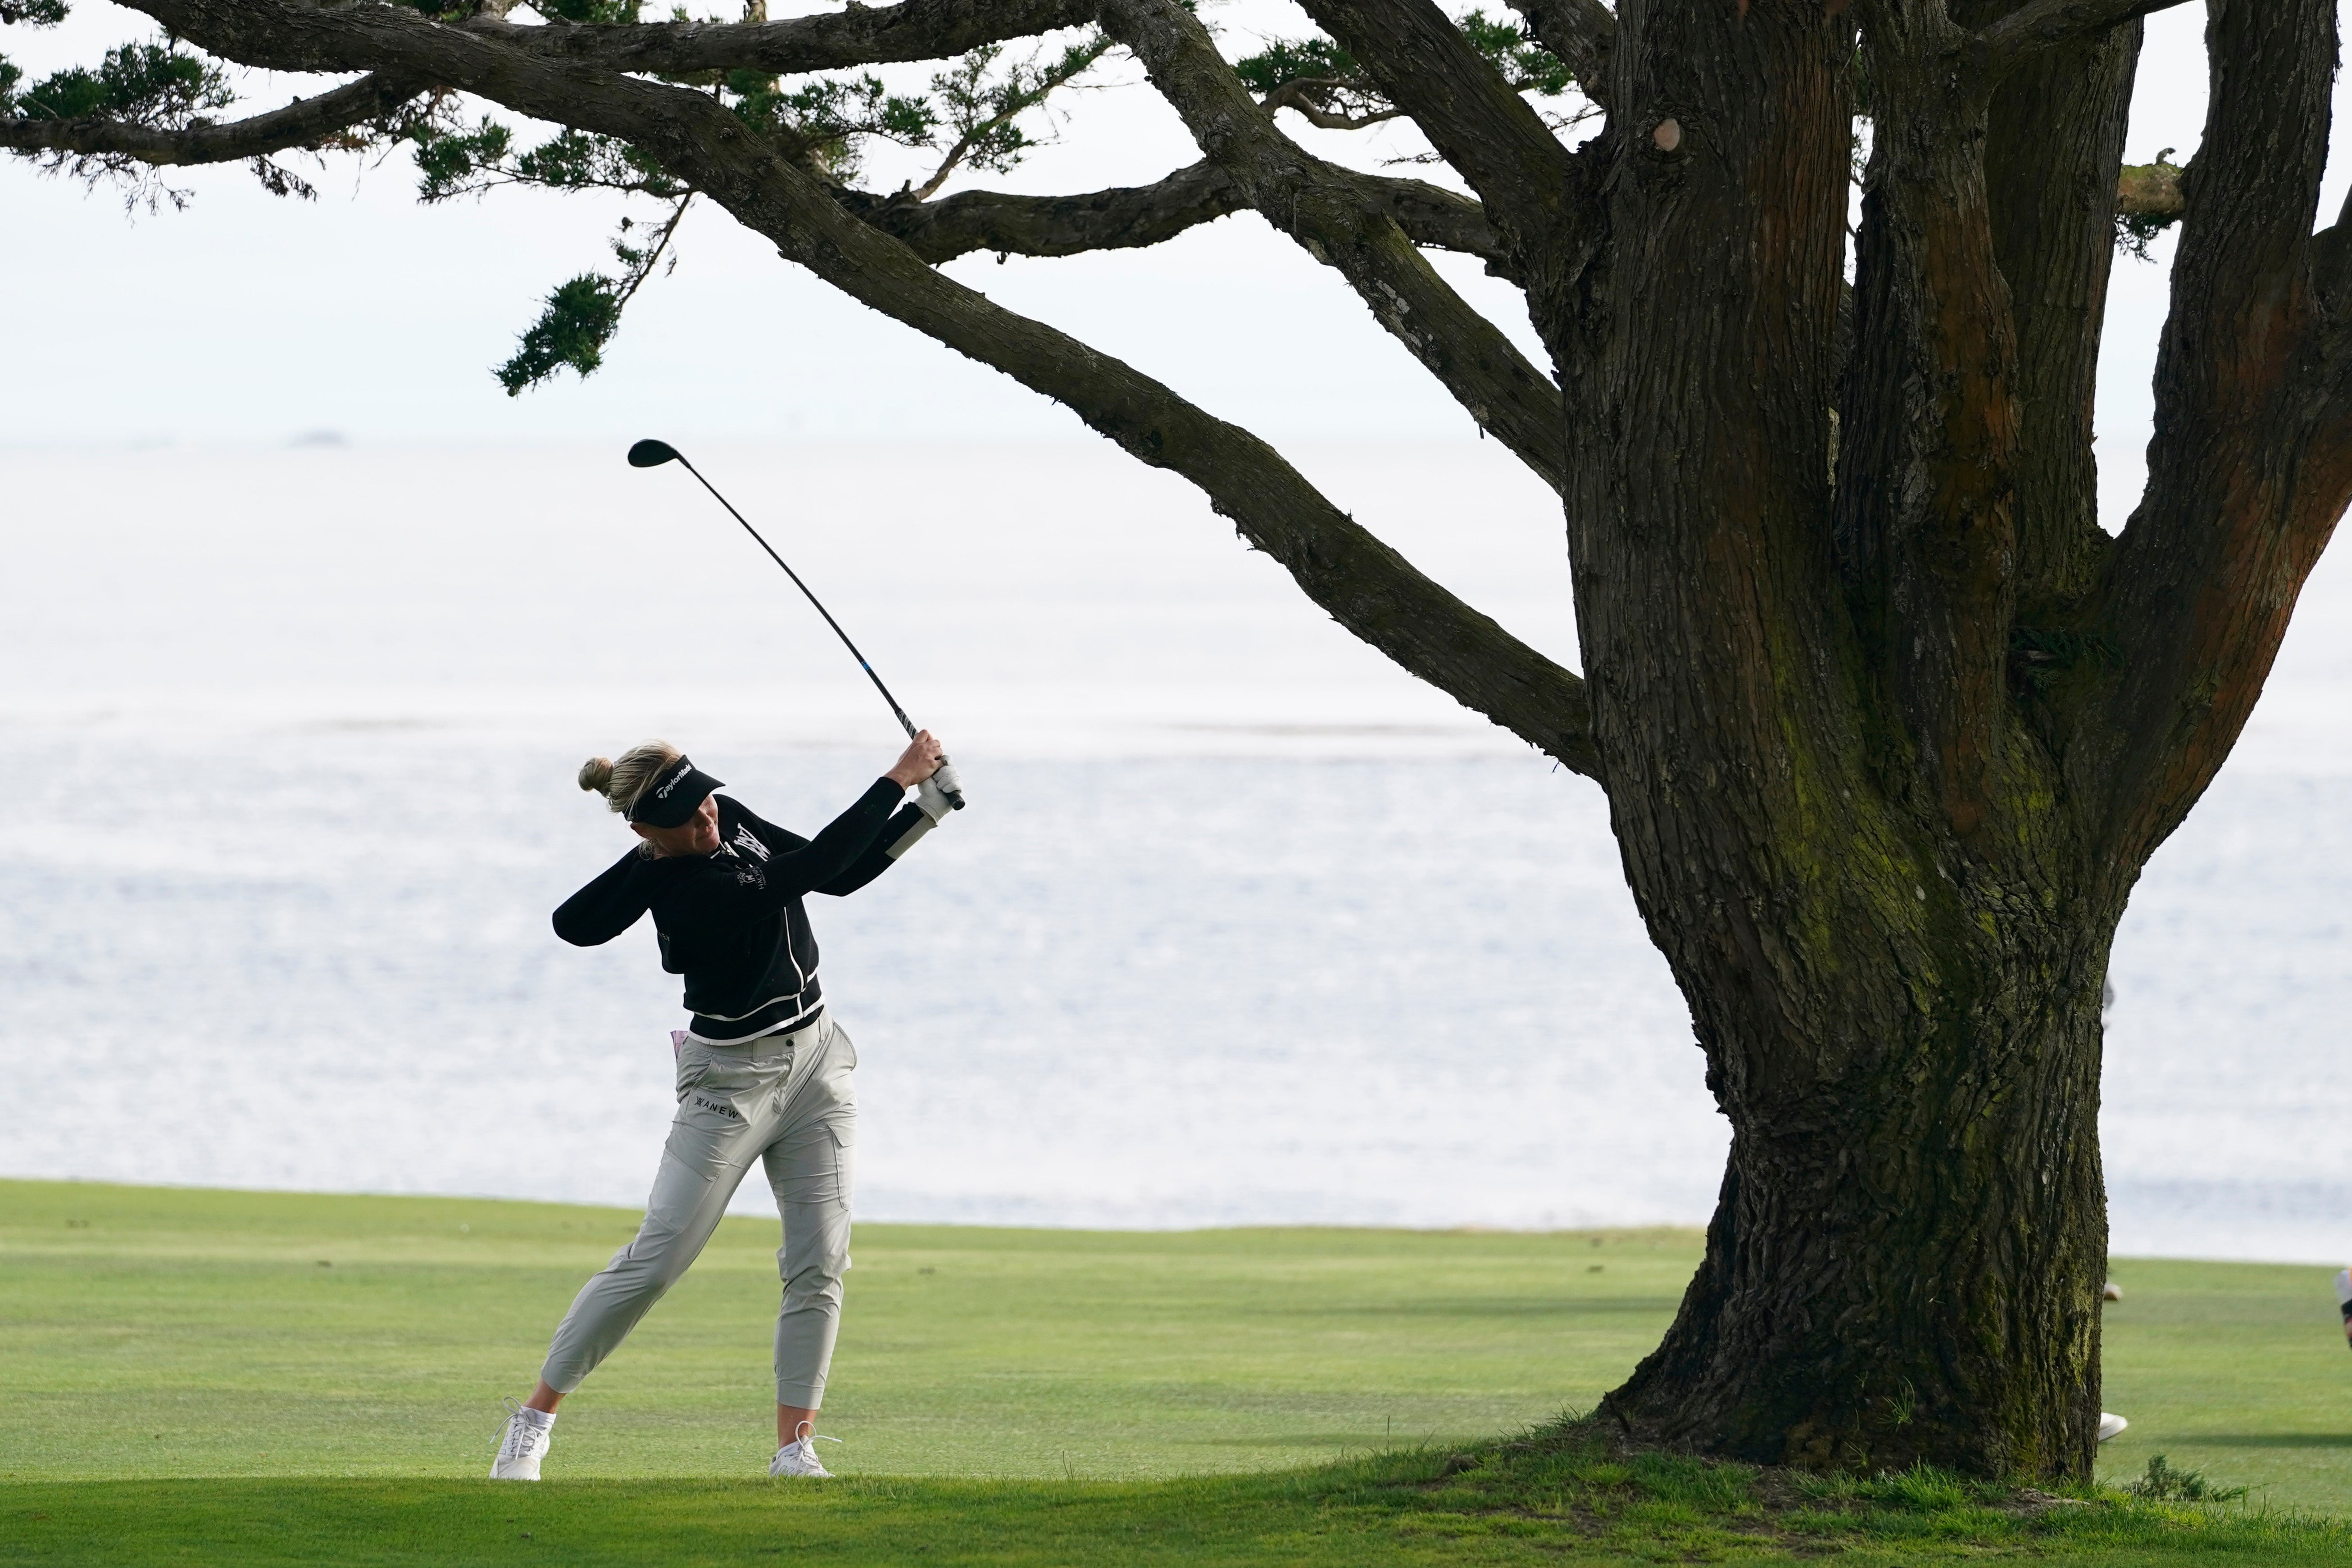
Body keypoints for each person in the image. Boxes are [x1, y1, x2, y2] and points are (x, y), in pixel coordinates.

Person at [490, 733, 956, 1482]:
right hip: (727, 1086)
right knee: (656, 1259)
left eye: (703, 793)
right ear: (646, 832)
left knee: (820, 1259)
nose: (706, 815)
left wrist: (925, 808)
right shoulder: (684, 891)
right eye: (684, 813)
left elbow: (840, 875)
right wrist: (894, 778)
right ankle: (534, 1416)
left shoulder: (723, 814)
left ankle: (793, 1449)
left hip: (818, 1063)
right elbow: (804, 872)